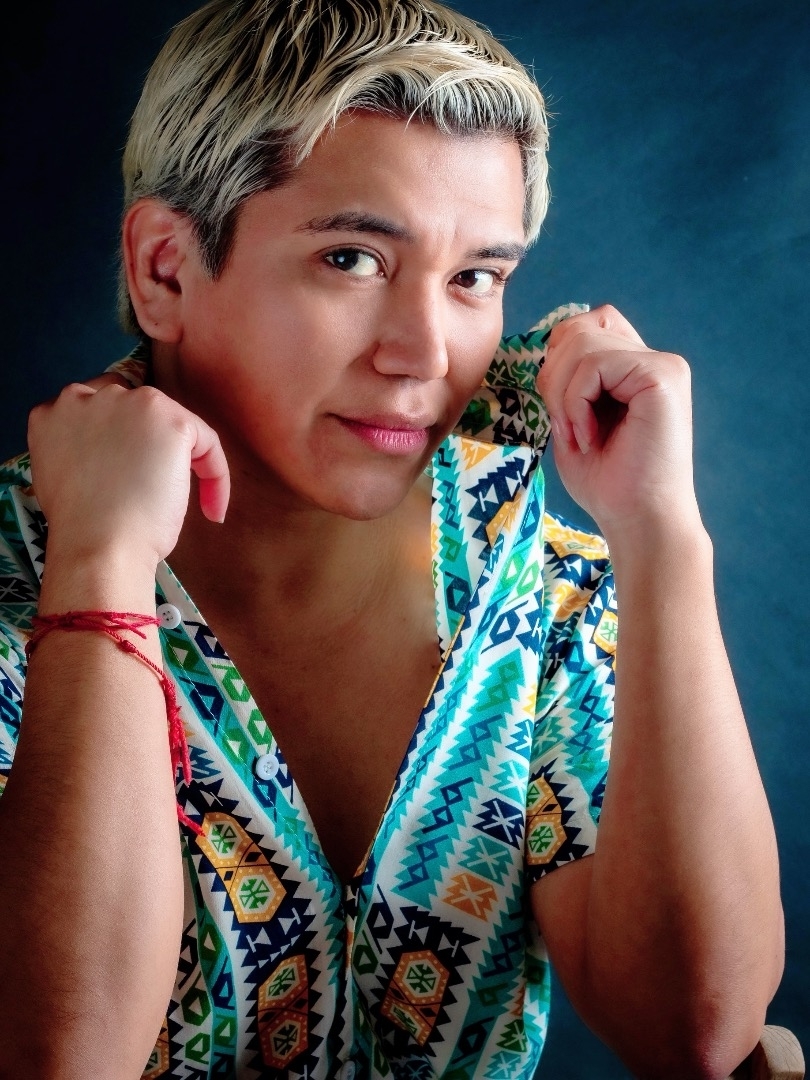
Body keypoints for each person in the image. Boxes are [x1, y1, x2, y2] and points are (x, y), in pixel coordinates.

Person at [0, 0, 784, 1076]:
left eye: (475, 279)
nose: (424, 352)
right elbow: (60, 1055)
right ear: (166, 269)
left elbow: (696, 1030)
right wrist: (98, 563)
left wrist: (662, 540)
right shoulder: (21, 577)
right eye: (353, 259)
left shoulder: (534, 581)